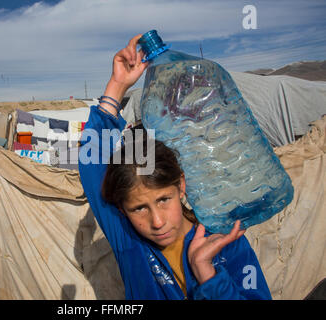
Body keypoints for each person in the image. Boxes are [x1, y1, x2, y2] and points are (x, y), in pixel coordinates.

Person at [78, 34, 272, 300]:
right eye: (139, 208)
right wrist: (117, 85)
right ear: (121, 209)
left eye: (163, 199)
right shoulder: (129, 242)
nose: (157, 222)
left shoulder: (226, 245)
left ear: (181, 185)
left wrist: (207, 275)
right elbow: (91, 160)